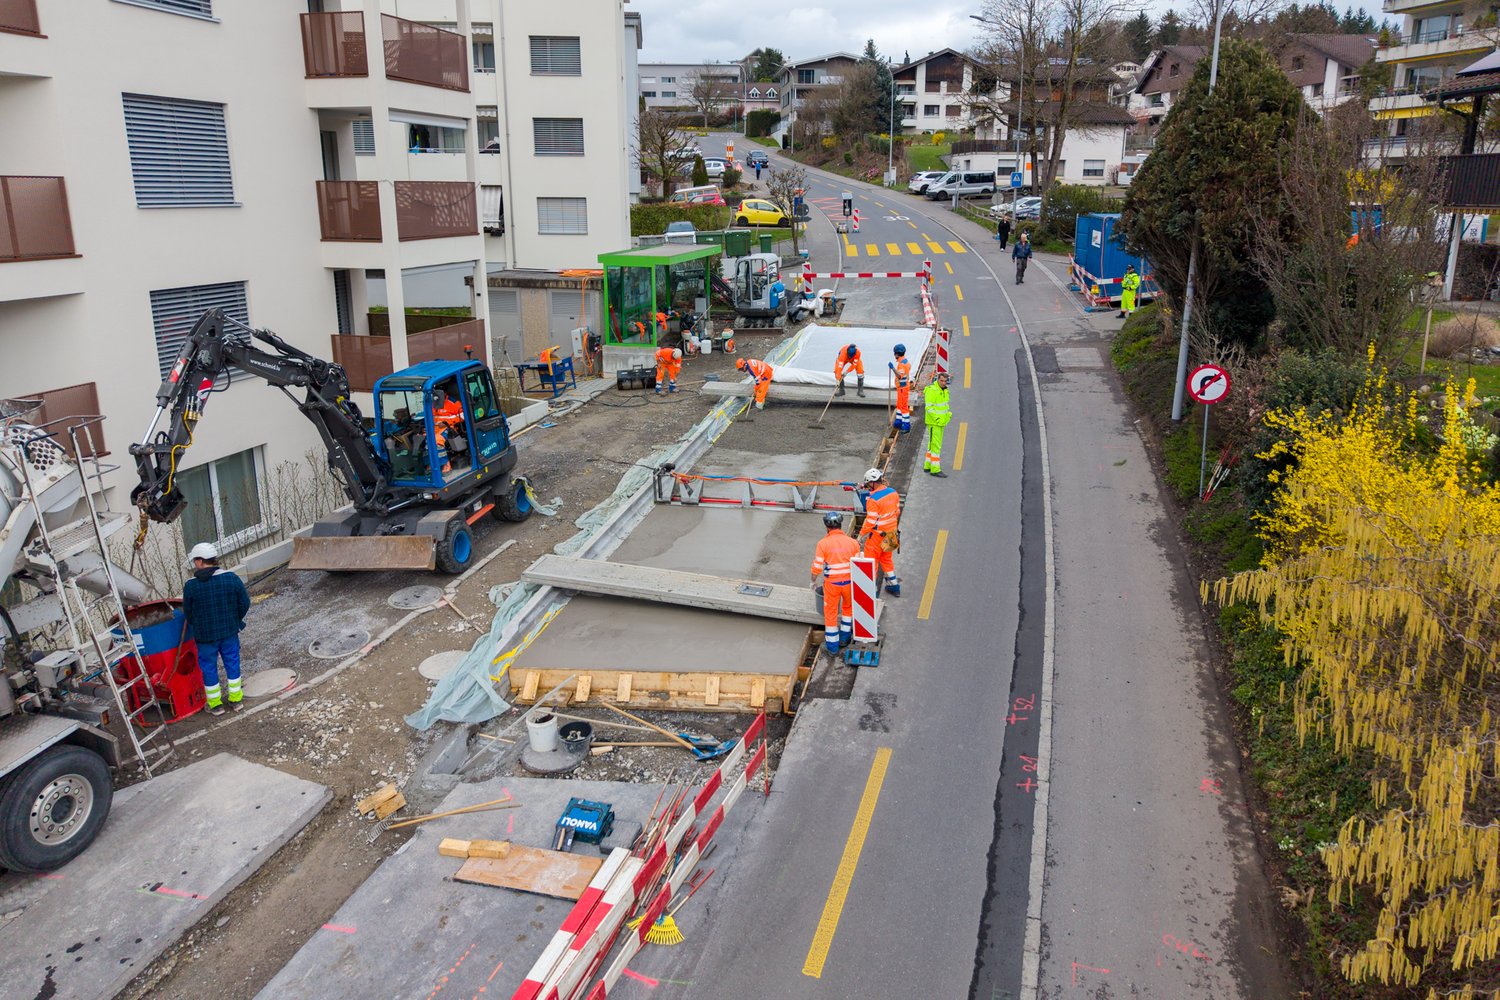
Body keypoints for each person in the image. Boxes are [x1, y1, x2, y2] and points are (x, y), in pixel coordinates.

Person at [182, 542, 251, 716]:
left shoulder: (191, 585)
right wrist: (235, 620)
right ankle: (236, 701)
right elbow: (244, 603)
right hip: (229, 631)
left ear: (199, 561)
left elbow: (188, 613)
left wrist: (197, 626)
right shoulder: (231, 578)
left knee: (209, 668)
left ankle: (215, 705)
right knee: (232, 663)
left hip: (205, 637)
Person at [810, 512, 862, 655]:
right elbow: (858, 564)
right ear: (841, 525)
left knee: (831, 613)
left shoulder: (823, 544)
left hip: (832, 585)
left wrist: (813, 581)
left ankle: (832, 647)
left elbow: (817, 567)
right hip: (849, 583)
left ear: (827, 527)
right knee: (848, 609)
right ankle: (844, 638)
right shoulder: (853, 543)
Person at [856, 468, 901, 597]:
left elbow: (870, 521)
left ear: (872, 482)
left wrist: (860, 535)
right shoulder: (893, 493)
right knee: (887, 560)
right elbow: (896, 512)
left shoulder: (872, 500)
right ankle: (895, 587)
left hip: (877, 537)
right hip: (892, 533)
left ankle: (872, 592)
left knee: (872, 563)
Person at [923, 371, 952, 477]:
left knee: (932, 445)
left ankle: (928, 465)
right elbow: (929, 408)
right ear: (937, 380)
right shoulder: (932, 391)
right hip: (935, 423)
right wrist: (938, 419)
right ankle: (935, 469)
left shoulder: (943, 390)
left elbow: (944, 405)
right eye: (941, 380)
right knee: (936, 446)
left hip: (940, 422)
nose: (943, 383)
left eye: (945, 381)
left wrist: (947, 415)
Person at [431, 386, 466, 473]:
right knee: (422, 439)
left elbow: (463, 416)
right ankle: (430, 464)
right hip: (434, 427)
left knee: (436, 440)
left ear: (444, 393)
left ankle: (445, 464)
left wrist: (447, 422)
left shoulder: (454, 403)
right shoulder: (433, 403)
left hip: (449, 427)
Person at [889, 344, 912, 433]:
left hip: (903, 388)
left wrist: (893, 368)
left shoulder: (901, 365)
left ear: (897, 354)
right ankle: (898, 421)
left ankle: (906, 426)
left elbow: (900, 376)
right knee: (899, 405)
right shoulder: (906, 362)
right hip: (902, 388)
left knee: (903, 407)